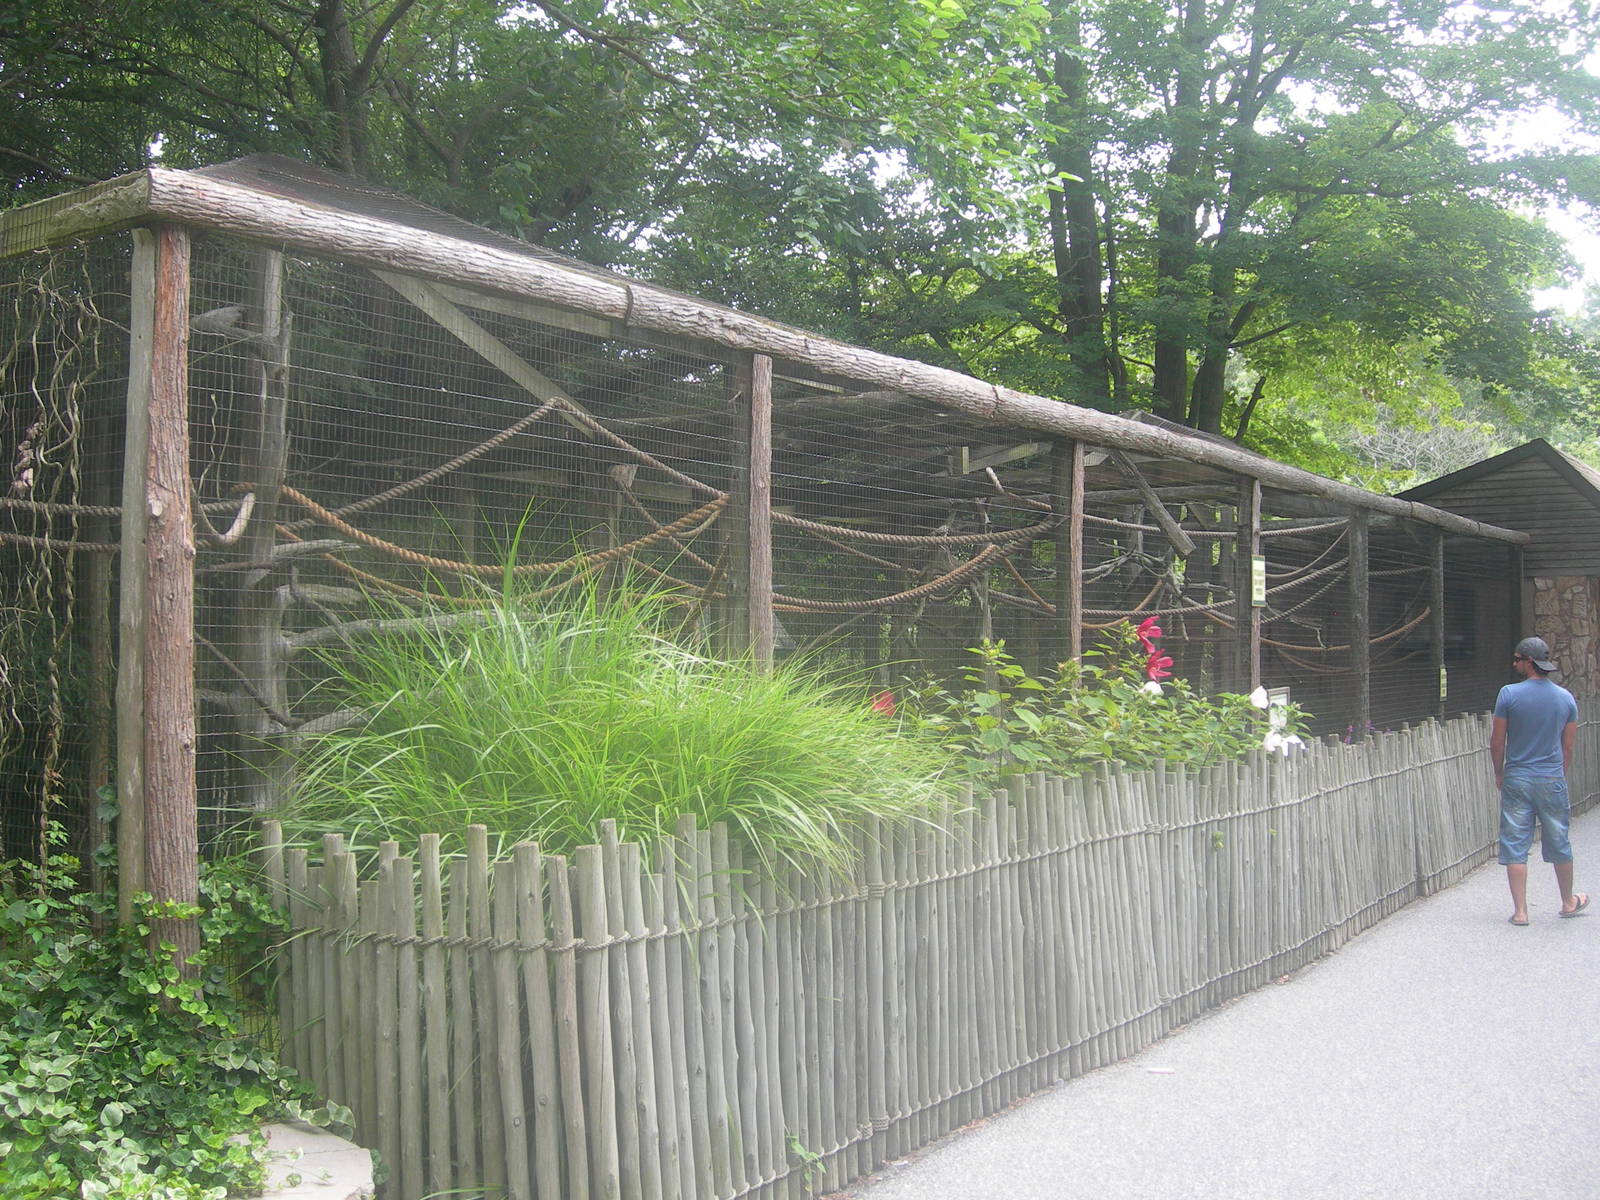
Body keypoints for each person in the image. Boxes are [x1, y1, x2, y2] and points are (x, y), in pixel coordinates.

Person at [1490, 636, 1586, 925]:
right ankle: (1568, 901)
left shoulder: (1508, 694)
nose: (1514, 663)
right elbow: (1568, 746)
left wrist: (1499, 772)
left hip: (1517, 777)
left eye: (1518, 659)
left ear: (1529, 662)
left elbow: (1497, 741)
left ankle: (1521, 911)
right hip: (1551, 777)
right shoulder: (1566, 698)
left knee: (1516, 840)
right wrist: (1559, 771)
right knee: (1559, 837)